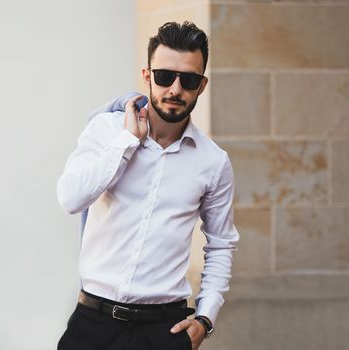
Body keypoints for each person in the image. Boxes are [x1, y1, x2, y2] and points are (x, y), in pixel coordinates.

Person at [56, 21, 239, 350]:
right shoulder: (108, 130)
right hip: (93, 323)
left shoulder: (213, 162)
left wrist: (205, 318)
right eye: (165, 76)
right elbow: (71, 198)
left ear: (202, 85)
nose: (175, 89)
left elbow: (221, 244)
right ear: (147, 75)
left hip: (163, 331)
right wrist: (127, 143)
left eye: (189, 80)